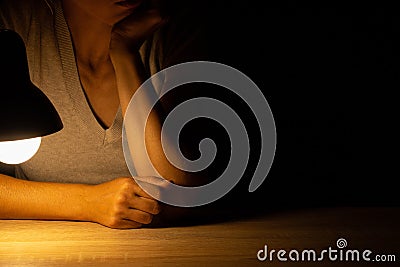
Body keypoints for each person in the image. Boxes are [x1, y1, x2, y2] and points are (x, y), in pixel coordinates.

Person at [0, 0, 210, 229]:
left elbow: (182, 196)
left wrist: (124, 55)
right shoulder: (15, 25)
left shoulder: (176, 34)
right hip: (40, 248)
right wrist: (89, 202)